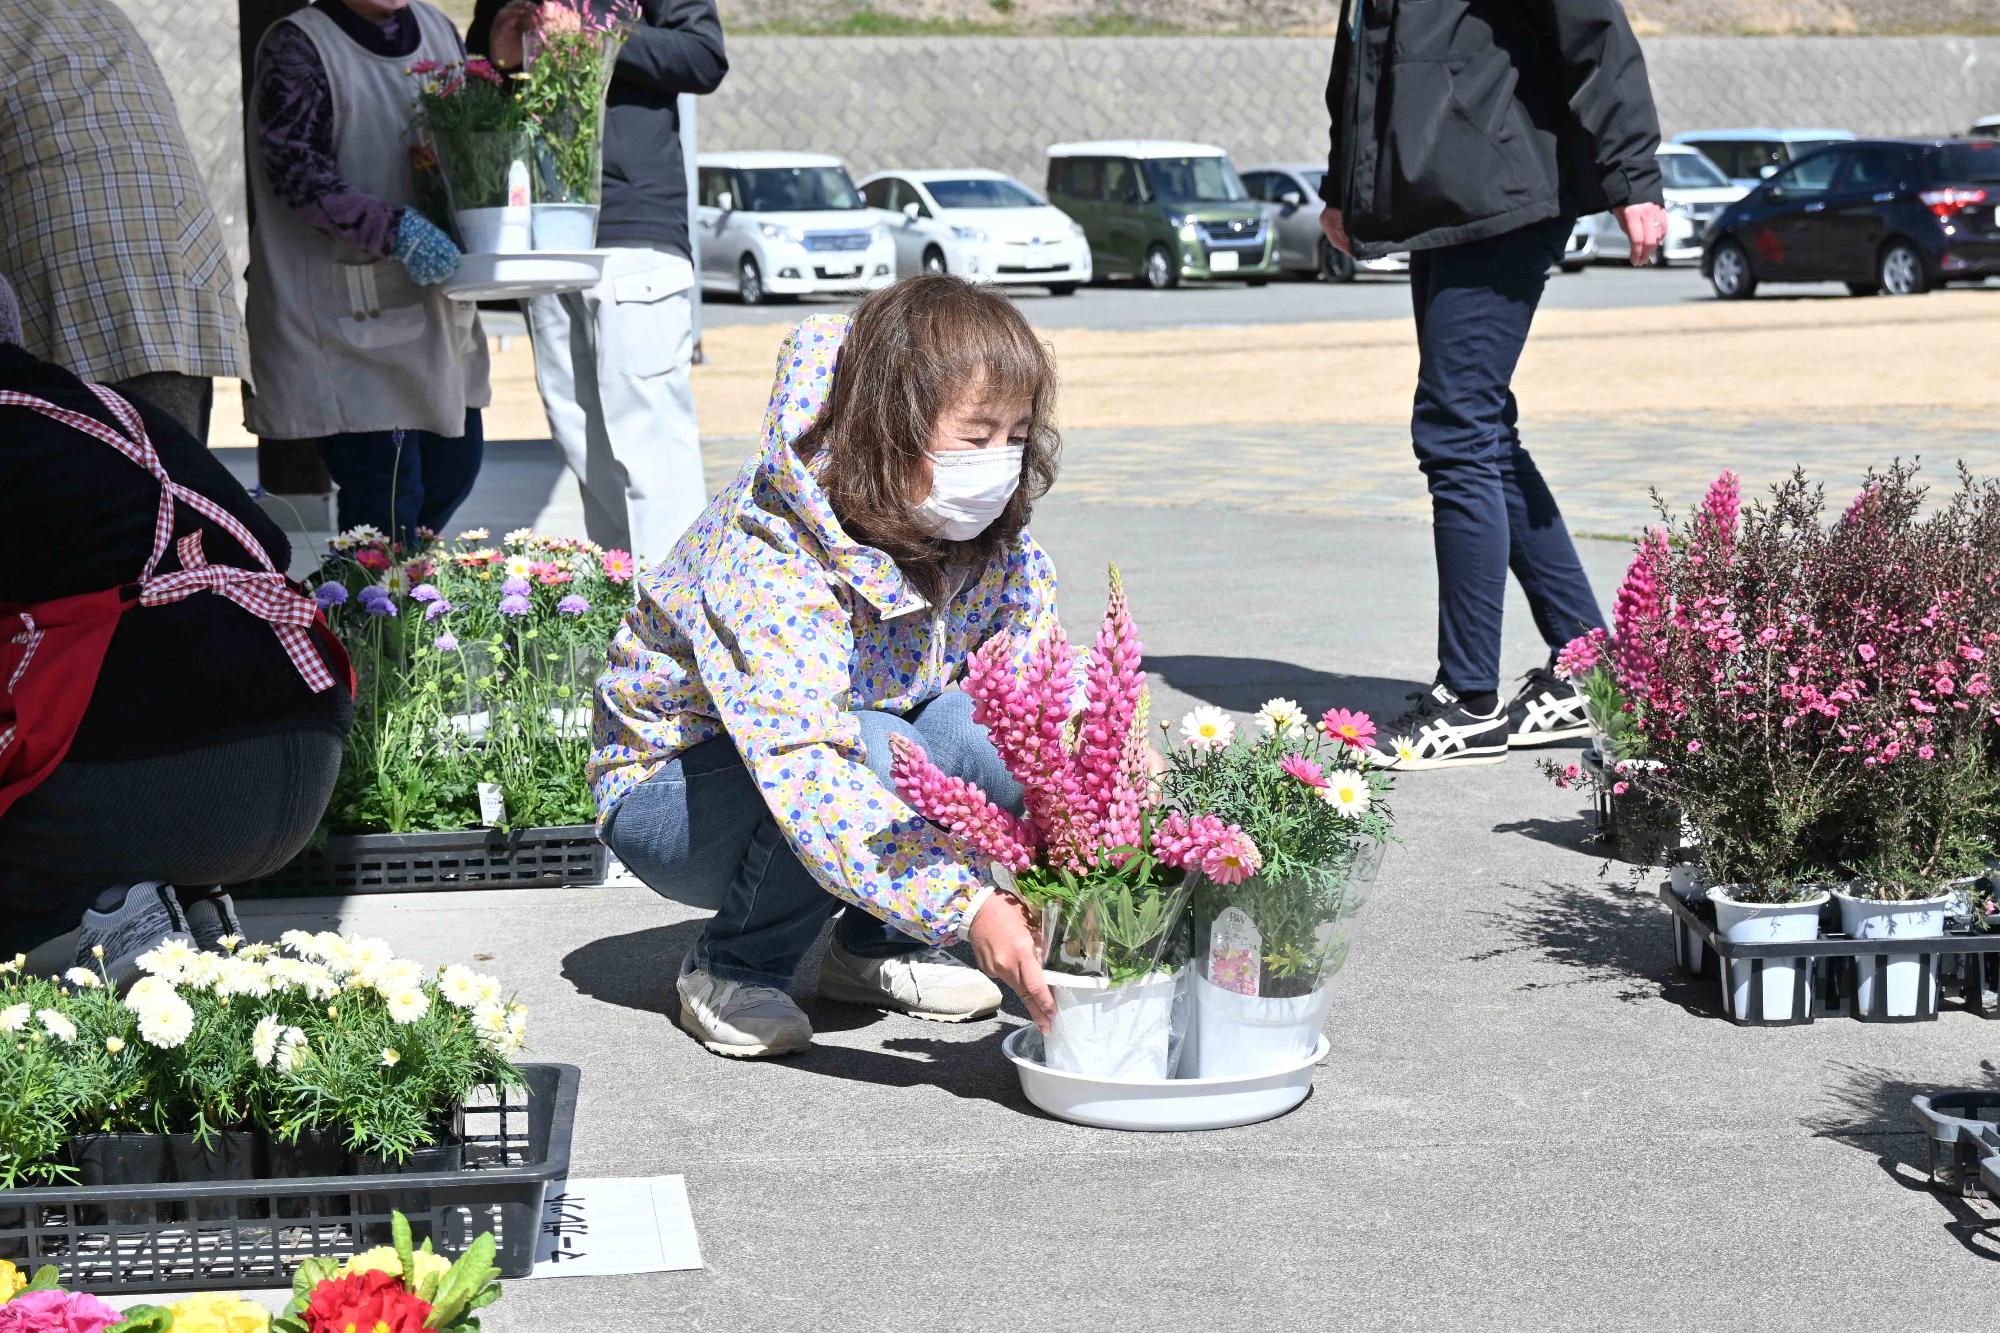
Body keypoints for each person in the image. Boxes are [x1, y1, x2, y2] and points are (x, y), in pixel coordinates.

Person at [593, 276, 1062, 1059]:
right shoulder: (770, 547)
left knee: (992, 724)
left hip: (844, 750)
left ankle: (877, 945)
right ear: (890, 427)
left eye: (1015, 437)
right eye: (975, 438)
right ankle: (734, 965)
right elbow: (807, 762)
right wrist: (969, 905)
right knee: (877, 748)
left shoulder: (991, 548)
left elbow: (1040, 687)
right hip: (673, 797)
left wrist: (1119, 771)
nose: (999, 464)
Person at [1319, 0, 1669, 769]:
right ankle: (1589, 669)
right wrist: (1344, 183)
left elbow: (1595, 31)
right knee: (1480, 431)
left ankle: (1470, 700)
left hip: (1502, 186)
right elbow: (1364, 57)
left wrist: (1634, 174)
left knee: (1455, 428)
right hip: (1443, 195)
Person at [0, 275, 353, 985]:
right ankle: (184, 904)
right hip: (306, 758)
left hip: (159, 783)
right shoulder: (108, 409)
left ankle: (86, 914)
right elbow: (268, 547)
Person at [469, 0, 726, 565]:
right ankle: (620, 614)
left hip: (636, 226)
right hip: (541, 227)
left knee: (650, 442)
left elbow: (705, 57)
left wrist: (594, 35)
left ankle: (679, 626)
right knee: (579, 435)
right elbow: (479, 68)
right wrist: (499, 51)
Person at [245, 0, 490, 544]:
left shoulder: (437, 31)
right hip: (345, 320)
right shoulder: (300, 45)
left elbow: (475, 136)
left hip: (434, 305)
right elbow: (295, 172)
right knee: (386, 499)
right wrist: (393, 229)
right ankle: (373, 619)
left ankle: (379, 602)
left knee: (457, 466)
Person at [0, 0, 247, 442]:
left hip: (77, 280)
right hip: (179, 275)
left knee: (101, 492)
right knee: (170, 487)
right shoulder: (95, 11)